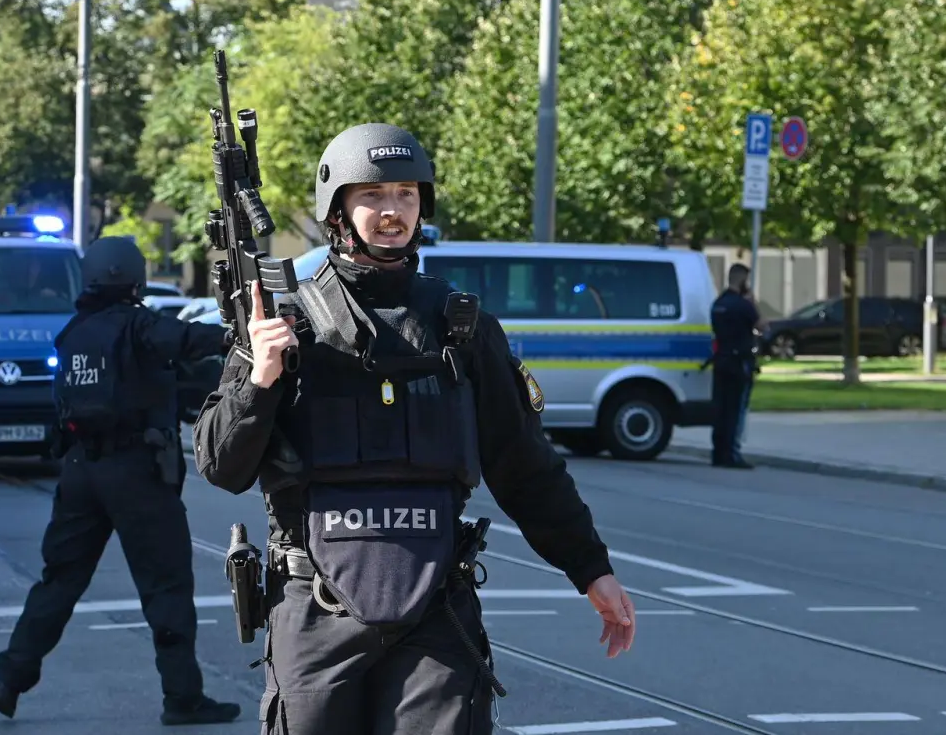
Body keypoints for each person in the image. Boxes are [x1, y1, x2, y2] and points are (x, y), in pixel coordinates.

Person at [192, 123, 637, 734]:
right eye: (373, 195)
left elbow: (524, 466)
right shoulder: (281, 319)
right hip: (317, 608)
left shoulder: (461, 327)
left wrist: (592, 569)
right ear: (338, 208)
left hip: (437, 611)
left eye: (406, 193)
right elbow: (220, 464)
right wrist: (259, 377)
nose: (393, 210)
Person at [0, 235, 241, 726]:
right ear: (135, 277)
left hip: (80, 472)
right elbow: (186, 341)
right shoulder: (138, 324)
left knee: (58, 582)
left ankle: (10, 680)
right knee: (166, 586)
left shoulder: (73, 333)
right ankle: (182, 697)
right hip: (137, 473)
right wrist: (238, 334)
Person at [708, 263, 761, 469]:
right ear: (743, 280)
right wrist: (753, 303)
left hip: (721, 361)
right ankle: (732, 453)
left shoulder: (718, 303)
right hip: (739, 363)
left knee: (720, 409)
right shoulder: (743, 305)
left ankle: (718, 453)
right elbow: (762, 325)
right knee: (736, 410)